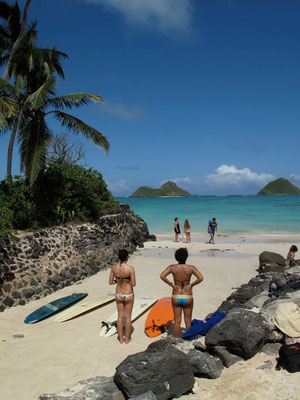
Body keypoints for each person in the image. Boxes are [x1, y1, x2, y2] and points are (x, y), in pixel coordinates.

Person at [160, 248, 203, 337]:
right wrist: (191, 285)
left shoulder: (172, 267)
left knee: (177, 321)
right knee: (188, 321)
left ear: (176, 257)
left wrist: (171, 284)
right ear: (186, 257)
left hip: (176, 295)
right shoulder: (191, 268)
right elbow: (200, 278)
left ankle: (176, 341)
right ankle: (187, 339)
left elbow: (162, 276)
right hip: (187, 296)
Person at [109, 249, 136, 344]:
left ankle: (121, 339)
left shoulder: (114, 268)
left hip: (118, 294)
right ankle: (127, 339)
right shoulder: (130, 268)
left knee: (120, 317)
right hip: (128, 293)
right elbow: (134, 283)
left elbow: (110, 282)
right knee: (128, 317)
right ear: (127, 258)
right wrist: (126, 280)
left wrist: (119, 280)